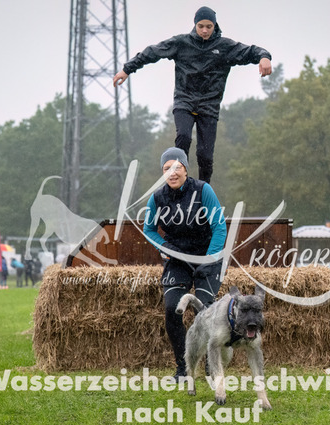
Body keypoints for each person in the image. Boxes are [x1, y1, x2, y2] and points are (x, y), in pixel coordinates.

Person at [113, 6, 272, 184]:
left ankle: (204, 189)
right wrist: (127, 69)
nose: (204, 31)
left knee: (205, 155)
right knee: (184, 137)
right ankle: (179, 182)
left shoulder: (225, 47)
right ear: (195, 25)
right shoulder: (181, 43)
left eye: (209, 27)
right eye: (201, 26)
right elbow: (153, 52)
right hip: (185, 101)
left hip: (209, 106)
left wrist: (264, 57)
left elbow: (250, 51)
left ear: (214, 26)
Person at [143, 147, 227, 381]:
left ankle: (212, 365)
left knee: (206, 309)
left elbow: (219, 227)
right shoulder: (156, 198)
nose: (172, 173)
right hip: (178, 260)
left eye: (177, 167)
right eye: (166, 169)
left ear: (186, 169)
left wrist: (209, 259)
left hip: (207, 257)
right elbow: (148, 229)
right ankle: (184, 369)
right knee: (172, 309)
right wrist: (165, 247)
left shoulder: (203, 190)